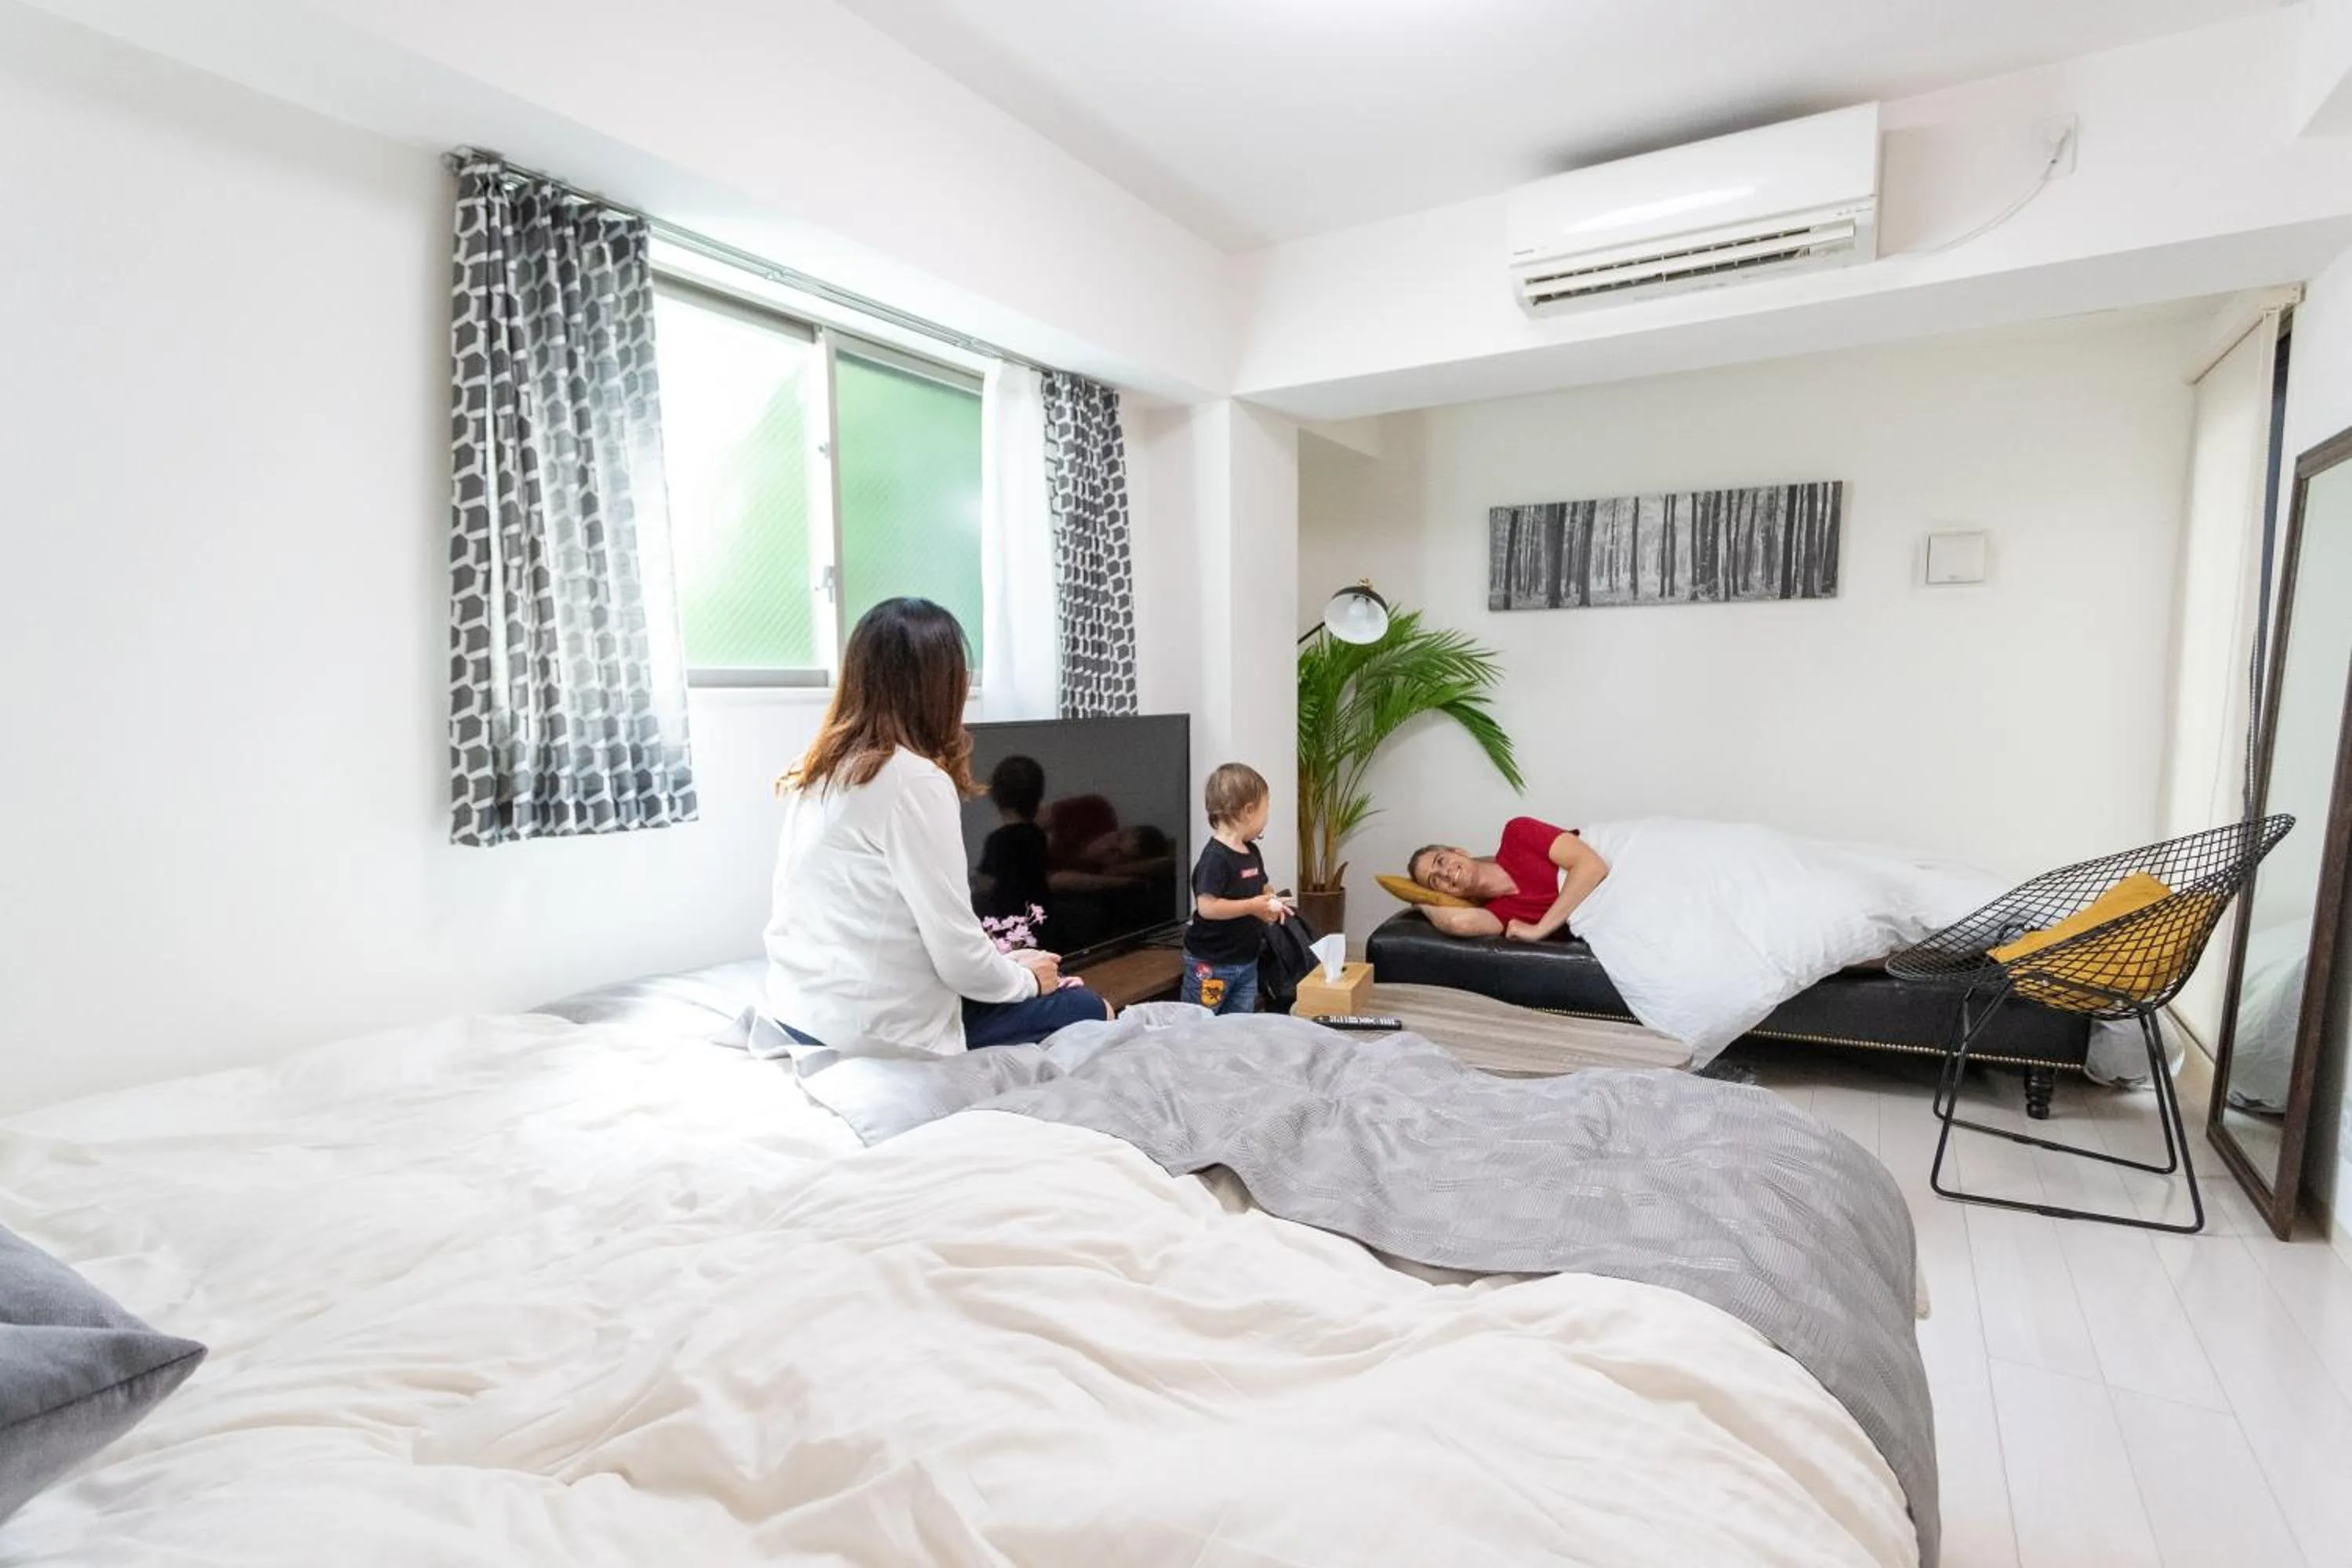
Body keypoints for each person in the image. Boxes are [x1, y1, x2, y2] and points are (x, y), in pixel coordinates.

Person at [764, 598, 1110, 1052]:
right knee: (1090, 1006)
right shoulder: (913, 780)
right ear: (940, 687)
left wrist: (1007, 966)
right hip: (877, 1028)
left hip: (800, 1008)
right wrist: (1027, 980)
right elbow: (958, 959)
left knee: (1023, 976)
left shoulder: (820, 767)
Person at [1184, 762, 1288, 1014]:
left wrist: (1269, 900)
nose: (1267, 817)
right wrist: (1252, 907)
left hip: (1246, 960)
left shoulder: (1251, 851)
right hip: (1212, 964)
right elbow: (1207, 907)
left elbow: (1262, 884)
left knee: (1239, 1024)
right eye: (1266, 809)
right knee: (1200, 1023)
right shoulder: (1215, 858)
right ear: (1248, 811)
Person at [1407, 817, 1610, 942]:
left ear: (1460, 852)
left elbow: (1592, 866)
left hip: (1619, 864)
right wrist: (1421, 901)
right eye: (1435, 881)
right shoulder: (1500, 914)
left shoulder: (1517, 835)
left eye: (1441, 861)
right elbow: (1457, 922)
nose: (1445, 873)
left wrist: (1540, 929)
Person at [973, 753, 1053, 930]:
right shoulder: (1038, 835)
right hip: (1040, 914)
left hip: (1009, 917)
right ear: (1038, 797)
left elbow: (986, 882)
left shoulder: (998, 840)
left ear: (994, 795)